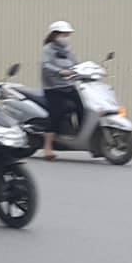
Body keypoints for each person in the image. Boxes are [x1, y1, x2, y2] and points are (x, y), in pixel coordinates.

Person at [41, 20, 80, 160]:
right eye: (64, 34)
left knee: (82, 107)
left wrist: (83, 70)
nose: (66, 37)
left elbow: (76, 64)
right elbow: (46, 66)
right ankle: (48, 147)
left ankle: (79, 137)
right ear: (55, 35)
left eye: (68, 34)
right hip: (53, 88)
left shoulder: (68, 50)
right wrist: (60, 72)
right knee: (55, 114)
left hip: (69, 86)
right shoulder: (48, 49)